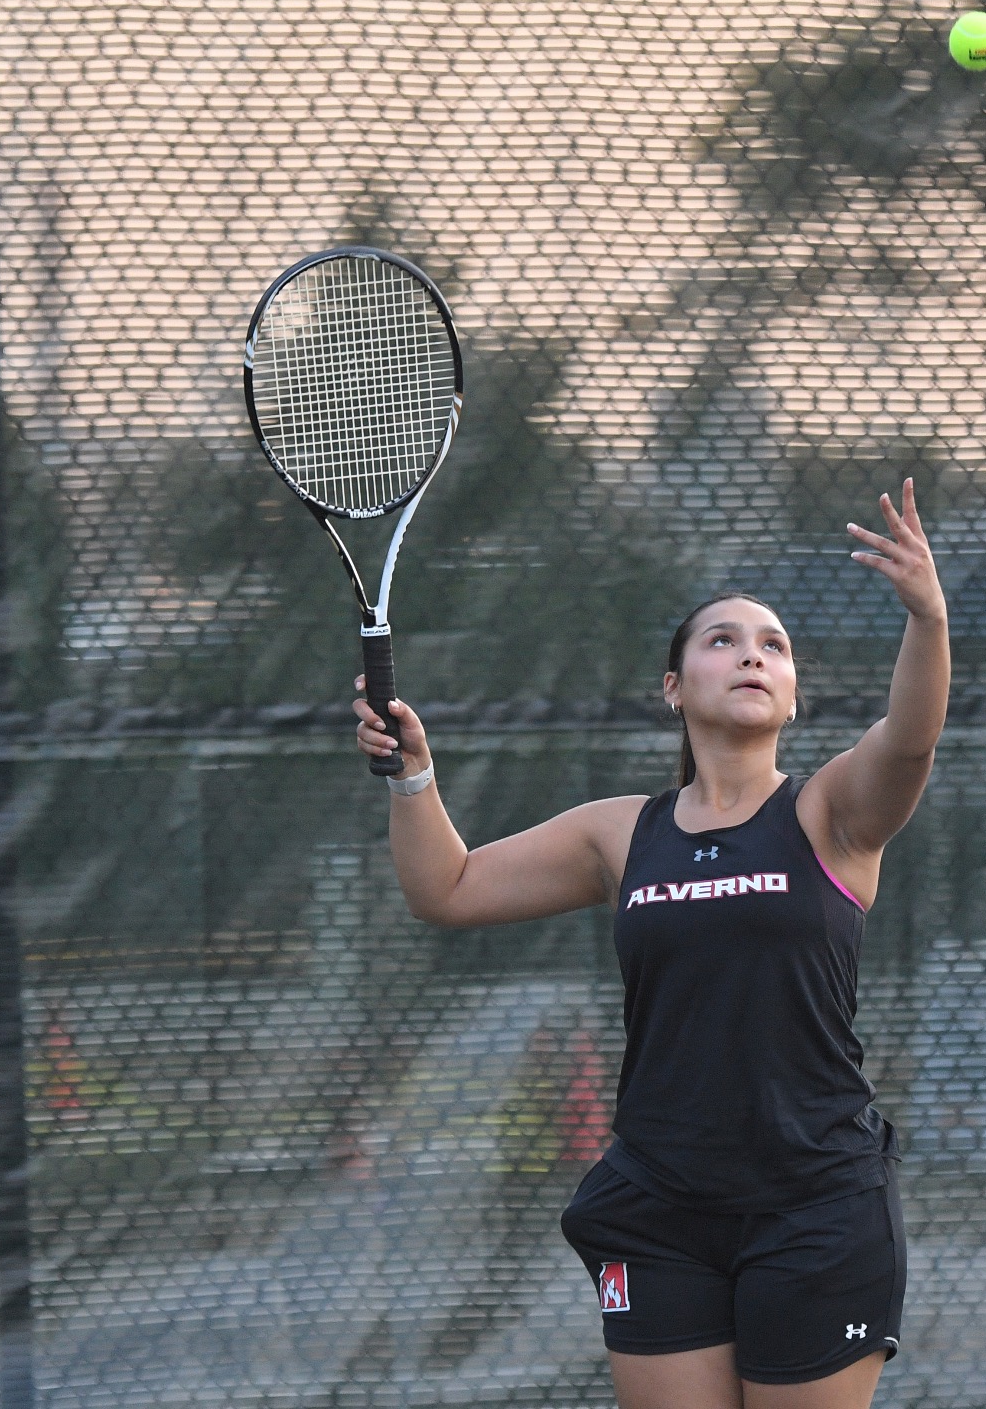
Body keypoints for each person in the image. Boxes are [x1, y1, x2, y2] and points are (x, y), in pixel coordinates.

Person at [354, 479, 950, 1409]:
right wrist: (413, 777)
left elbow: (909, 741)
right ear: (673, 688)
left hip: (817, 1204)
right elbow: (448, 887)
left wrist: (927, 619)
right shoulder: (622, 832)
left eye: (774, 646)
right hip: (661, 1208)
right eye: (723, 640)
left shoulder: (830, 810)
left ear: (794, 694)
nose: (752, 654)